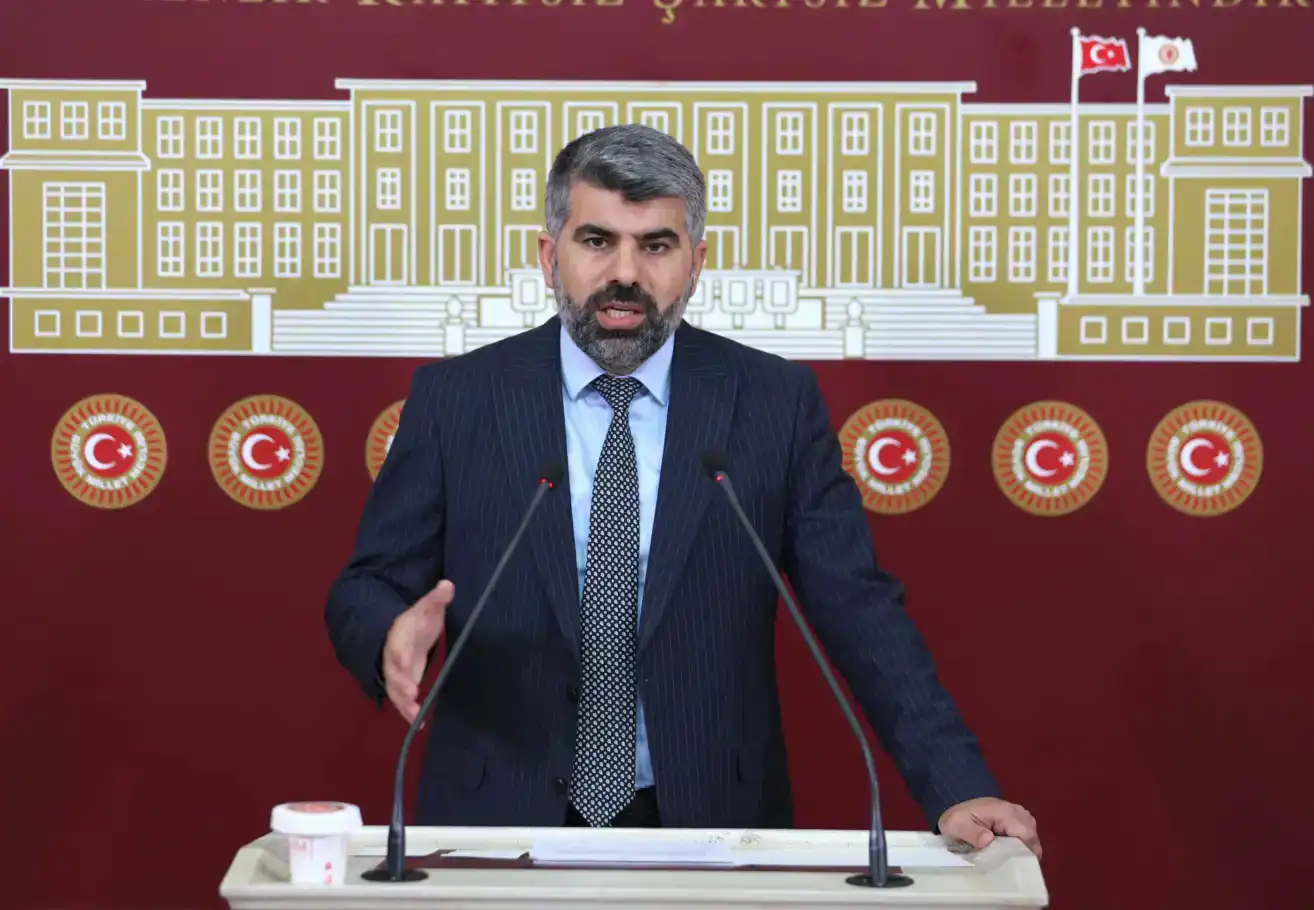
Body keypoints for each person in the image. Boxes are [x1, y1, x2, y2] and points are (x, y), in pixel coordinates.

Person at [324, 123, 1041, 856]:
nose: (625, 273)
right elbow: (369, 584)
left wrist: (956, 785)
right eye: (597, 241)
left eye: (656, 246)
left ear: (696, 262)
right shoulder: (457, 400)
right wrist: (389, 635)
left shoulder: (773, 403)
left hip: (713, 818)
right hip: (498, 814)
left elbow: (859, 609)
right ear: (549, 255)